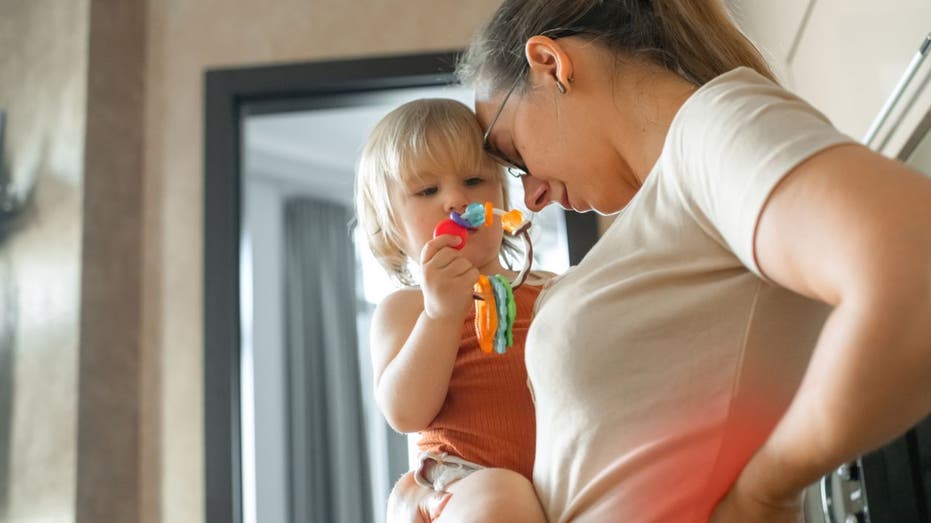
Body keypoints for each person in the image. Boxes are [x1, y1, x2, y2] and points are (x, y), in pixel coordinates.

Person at [452, 0, 931, 522]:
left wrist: (764, 492)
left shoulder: (711, 129)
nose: (532, 197)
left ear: (550, 64)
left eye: (514, 155)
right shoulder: (661, 207)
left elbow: (914, 270)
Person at [355, 98, 552, 523]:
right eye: (428, 190)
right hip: (466, 480)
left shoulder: (553, 291)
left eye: (475, 180)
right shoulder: (406, 309)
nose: (457, 200)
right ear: (391, 228)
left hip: (563, 475)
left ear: (502, 195)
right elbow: (405, 413)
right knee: (503, 498)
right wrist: (440, 315)